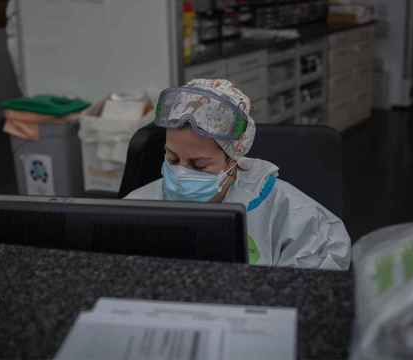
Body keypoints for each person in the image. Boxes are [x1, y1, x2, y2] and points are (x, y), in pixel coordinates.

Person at [126, 79, 351, 270]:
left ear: (233, 160)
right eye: (172, 159)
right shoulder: (139, 205)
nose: (180, 173)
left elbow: (327, 258)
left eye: (200, 165)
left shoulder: (280, 207)